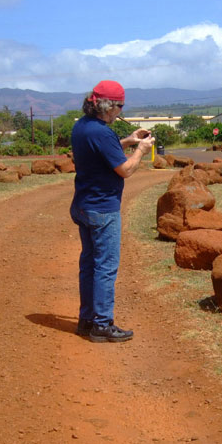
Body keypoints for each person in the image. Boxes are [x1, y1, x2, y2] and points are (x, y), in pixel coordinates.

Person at [70, 80, 155, 343]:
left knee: (89, 265)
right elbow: (125, 170)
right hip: (102, 209)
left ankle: (87, 320)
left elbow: (102, 149)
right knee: (105, 267)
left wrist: (128, 141)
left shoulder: (82, 126)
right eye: (120, 106)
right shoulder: (102, 132)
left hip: (83, 205)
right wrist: (141, 150)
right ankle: (103, 324)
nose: (120, 111)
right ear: (109, 106)